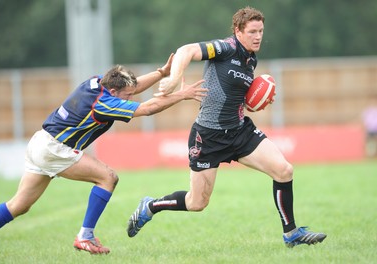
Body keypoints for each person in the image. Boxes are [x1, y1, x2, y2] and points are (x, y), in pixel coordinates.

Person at [127, 6, 327, 248]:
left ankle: (291, 233)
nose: (258, 36)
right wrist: (173, 79)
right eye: (252, 31)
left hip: (240, 131)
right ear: (238, 31)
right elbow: (186, 50)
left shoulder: (251, 58)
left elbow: (234, 94)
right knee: (197, 203)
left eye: (261, 31)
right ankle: (150, 205)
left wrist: (256, 101)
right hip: (208, 136)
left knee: (284, 170)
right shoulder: (225, 47)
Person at [0, 54, 207, 254]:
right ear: (114, 91)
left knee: (19, 205)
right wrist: (182, 95)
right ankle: (85, 236)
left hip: (41, 142)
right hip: (55, 149)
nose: (129, 98)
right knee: (108, 177)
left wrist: (160, 73)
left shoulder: (97, 82)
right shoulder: (103, 103)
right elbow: (146, 109)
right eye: (126, 96)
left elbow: (132, 88)